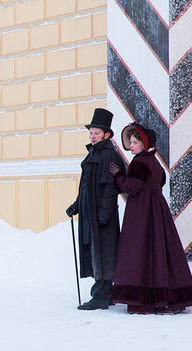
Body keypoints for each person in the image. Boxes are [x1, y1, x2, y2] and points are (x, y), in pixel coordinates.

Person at [107, 123, 192, 314]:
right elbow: (160, 181)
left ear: (145, 144)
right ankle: (168, 297)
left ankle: (143, 300)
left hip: (142, 212)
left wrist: (118, 176)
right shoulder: (155, 162)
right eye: (130, 142)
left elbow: (131, 188)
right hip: (158, 210)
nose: (131, 145)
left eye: (135, 142)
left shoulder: (139, 162)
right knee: (160, 251)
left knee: (139, 252)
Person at [66, 108, 125, 310]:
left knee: (104, 251)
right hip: (90, 212)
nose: (92, 136)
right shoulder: (92, 154)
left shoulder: (109, 156)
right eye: (91, 133)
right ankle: (106, 293)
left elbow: (111, 189)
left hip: (101, 214)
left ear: (106, 135)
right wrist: (76, 205)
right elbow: (85, 185)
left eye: (96, 133)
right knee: (96, 250)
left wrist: (103, 215)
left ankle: (100, 296)